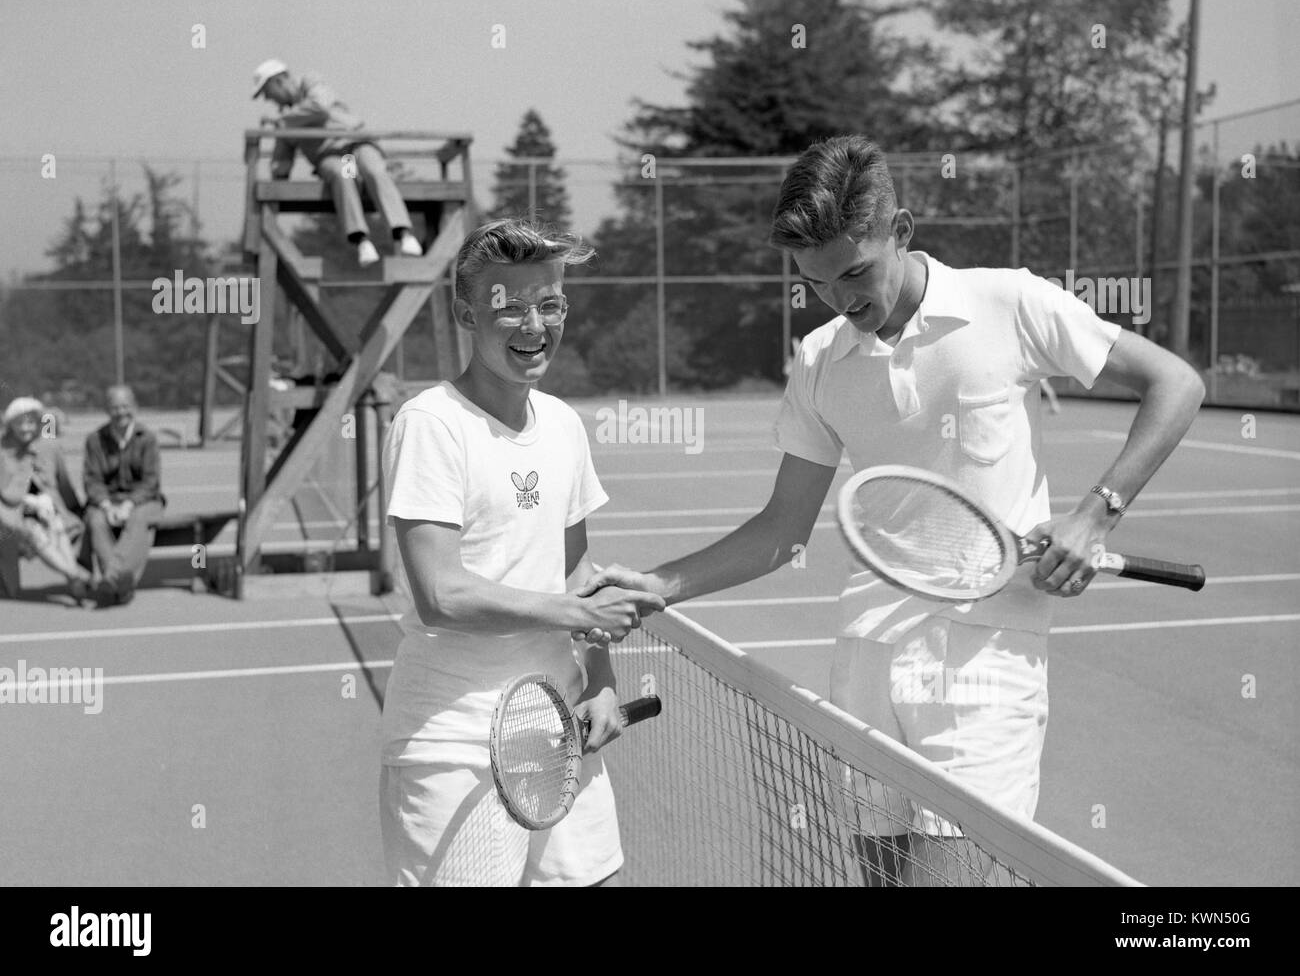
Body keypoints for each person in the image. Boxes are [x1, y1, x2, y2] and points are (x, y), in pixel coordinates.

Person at [578, 136, 1205, 884]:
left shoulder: (1010, 302)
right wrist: (658, 587)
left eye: (855, 272)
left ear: (900, 232)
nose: (843, 299)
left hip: (985, 667)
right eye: (816, 283)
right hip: (868, 654)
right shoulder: (818, 359)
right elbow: (782, 531)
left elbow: (1176, 383)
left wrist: (1095, 515)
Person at [378, 218, 664, 887]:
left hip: (556, 729)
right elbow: (441, 596)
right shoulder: (430, 425)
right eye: (508, 306)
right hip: (452, 743)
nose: (535, 326)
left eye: (551, 304)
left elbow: (577, 579)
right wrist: (568, 612)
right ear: (466, 314)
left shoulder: (563, 425)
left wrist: (599, 683)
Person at [252, 58, 424, 268]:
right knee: (345, 176)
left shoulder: (309, 82)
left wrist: (281, 121)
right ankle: (361, 240)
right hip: (339, 159)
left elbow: (320, 106)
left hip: (355, 143)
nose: (271, 100)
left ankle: (403, 233)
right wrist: (276, 185)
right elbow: (282, 159)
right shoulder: (285, 121)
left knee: (374, 169)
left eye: (269, 93)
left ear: (278, 81)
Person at [0, 397, 94, 602]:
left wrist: (61, 506)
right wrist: (32, 501)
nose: (26, 428)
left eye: (31, 423)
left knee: (57, 524)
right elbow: (9, 495)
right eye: (21, 423)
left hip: (40, 513)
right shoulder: (4, 450)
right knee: (36, 531)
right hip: (10, 516)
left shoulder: (43, 446)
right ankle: (75, 575)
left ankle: (74, 579)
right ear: (10, 424)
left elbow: (59, 483)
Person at [81, 385, 166, 607]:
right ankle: (121, 584)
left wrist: (129, 503)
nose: (120, 412)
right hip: (107, 501)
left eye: (125, 406)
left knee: (139, 519)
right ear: (107, 410)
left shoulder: (147, 438)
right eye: (115, 407)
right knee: (96, 521)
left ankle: (110, 576)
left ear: (135, 407)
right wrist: (107, 505)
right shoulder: (95, 440)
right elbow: (92, 480)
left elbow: (151, 481)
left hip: (144, 500)